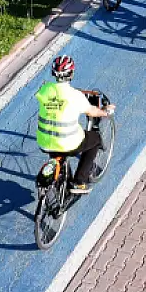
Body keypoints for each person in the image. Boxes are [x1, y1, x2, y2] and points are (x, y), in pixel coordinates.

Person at [36, 56, 114, 194]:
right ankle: (79, 181)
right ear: (71, 73)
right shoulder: (75, 96)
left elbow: (54, 96)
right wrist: (105, 112)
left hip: (43, 142)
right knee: (95, 139)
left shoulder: (45, 89)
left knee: (55, 143)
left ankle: (58, 170)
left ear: (54, 73)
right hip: (68, 143)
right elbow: (92, 111)